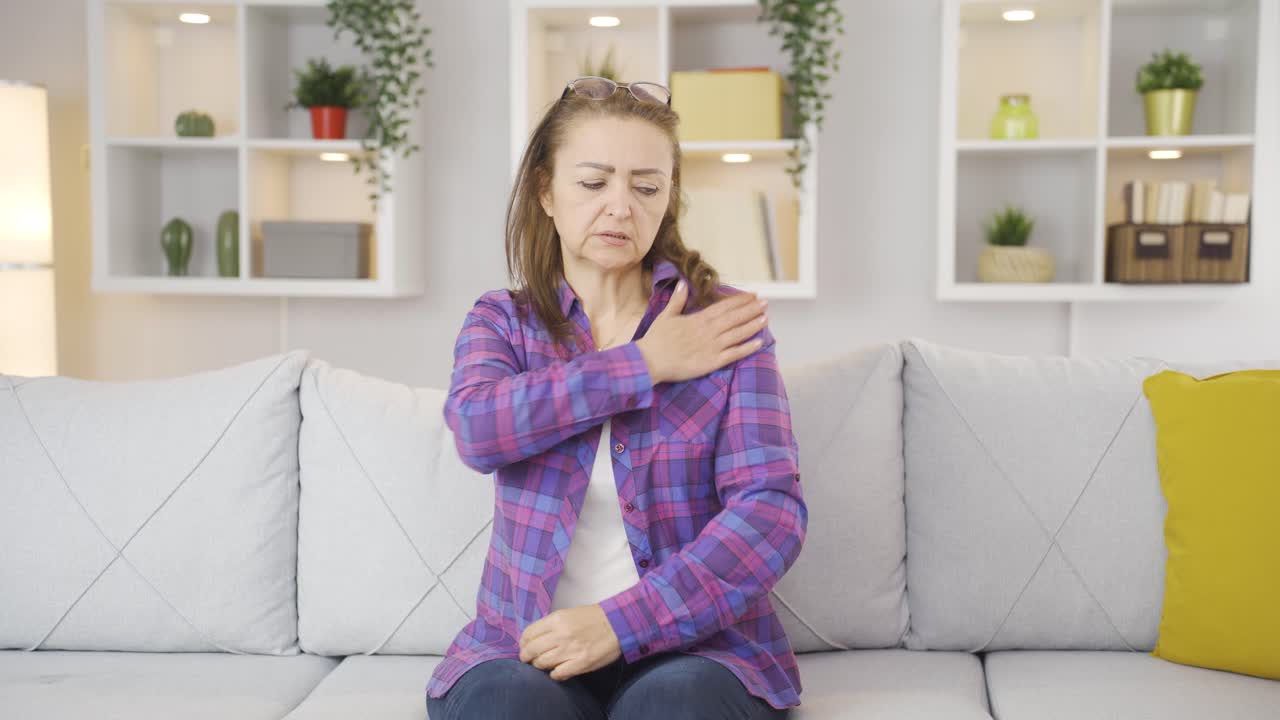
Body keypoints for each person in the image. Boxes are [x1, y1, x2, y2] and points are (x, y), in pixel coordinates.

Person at [426, 75, 807, 720]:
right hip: (528, 650)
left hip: (699, 652)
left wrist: (622, 623)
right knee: (505, 706)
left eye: (646, 186)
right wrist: (644, 363)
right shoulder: (504, 321)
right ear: (546, 192)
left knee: (673, 704)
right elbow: (477, 429)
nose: (621, 206)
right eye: (593, 182)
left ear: (668, 201)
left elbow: (771, 514)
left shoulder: (725, 322)